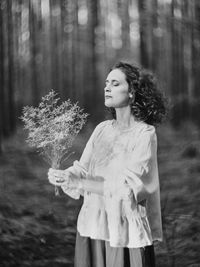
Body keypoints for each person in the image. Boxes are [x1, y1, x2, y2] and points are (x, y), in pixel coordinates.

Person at [48, 61, 167, 267]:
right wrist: (65, 176)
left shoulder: (144, 134)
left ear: (132, 92)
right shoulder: (102, 129)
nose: (107, 88)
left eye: (115, 83)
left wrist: (79, 183)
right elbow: (82, 170)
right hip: (93, 226)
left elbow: (127, 189)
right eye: (106, 83)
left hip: (125, 233)